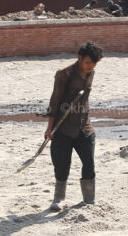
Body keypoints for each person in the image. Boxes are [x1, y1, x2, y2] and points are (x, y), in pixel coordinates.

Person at [45, 42, 104, 211]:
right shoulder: (64, 74)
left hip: (85, 127)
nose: (91, 66)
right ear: (79, 58)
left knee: (89, 163)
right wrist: (50, 128)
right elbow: (55, 100)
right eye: (88, 63)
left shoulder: (91, 72)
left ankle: (89, 199)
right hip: (63, 127)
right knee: (62, 164)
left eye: (94, 64)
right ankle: (59, 198)